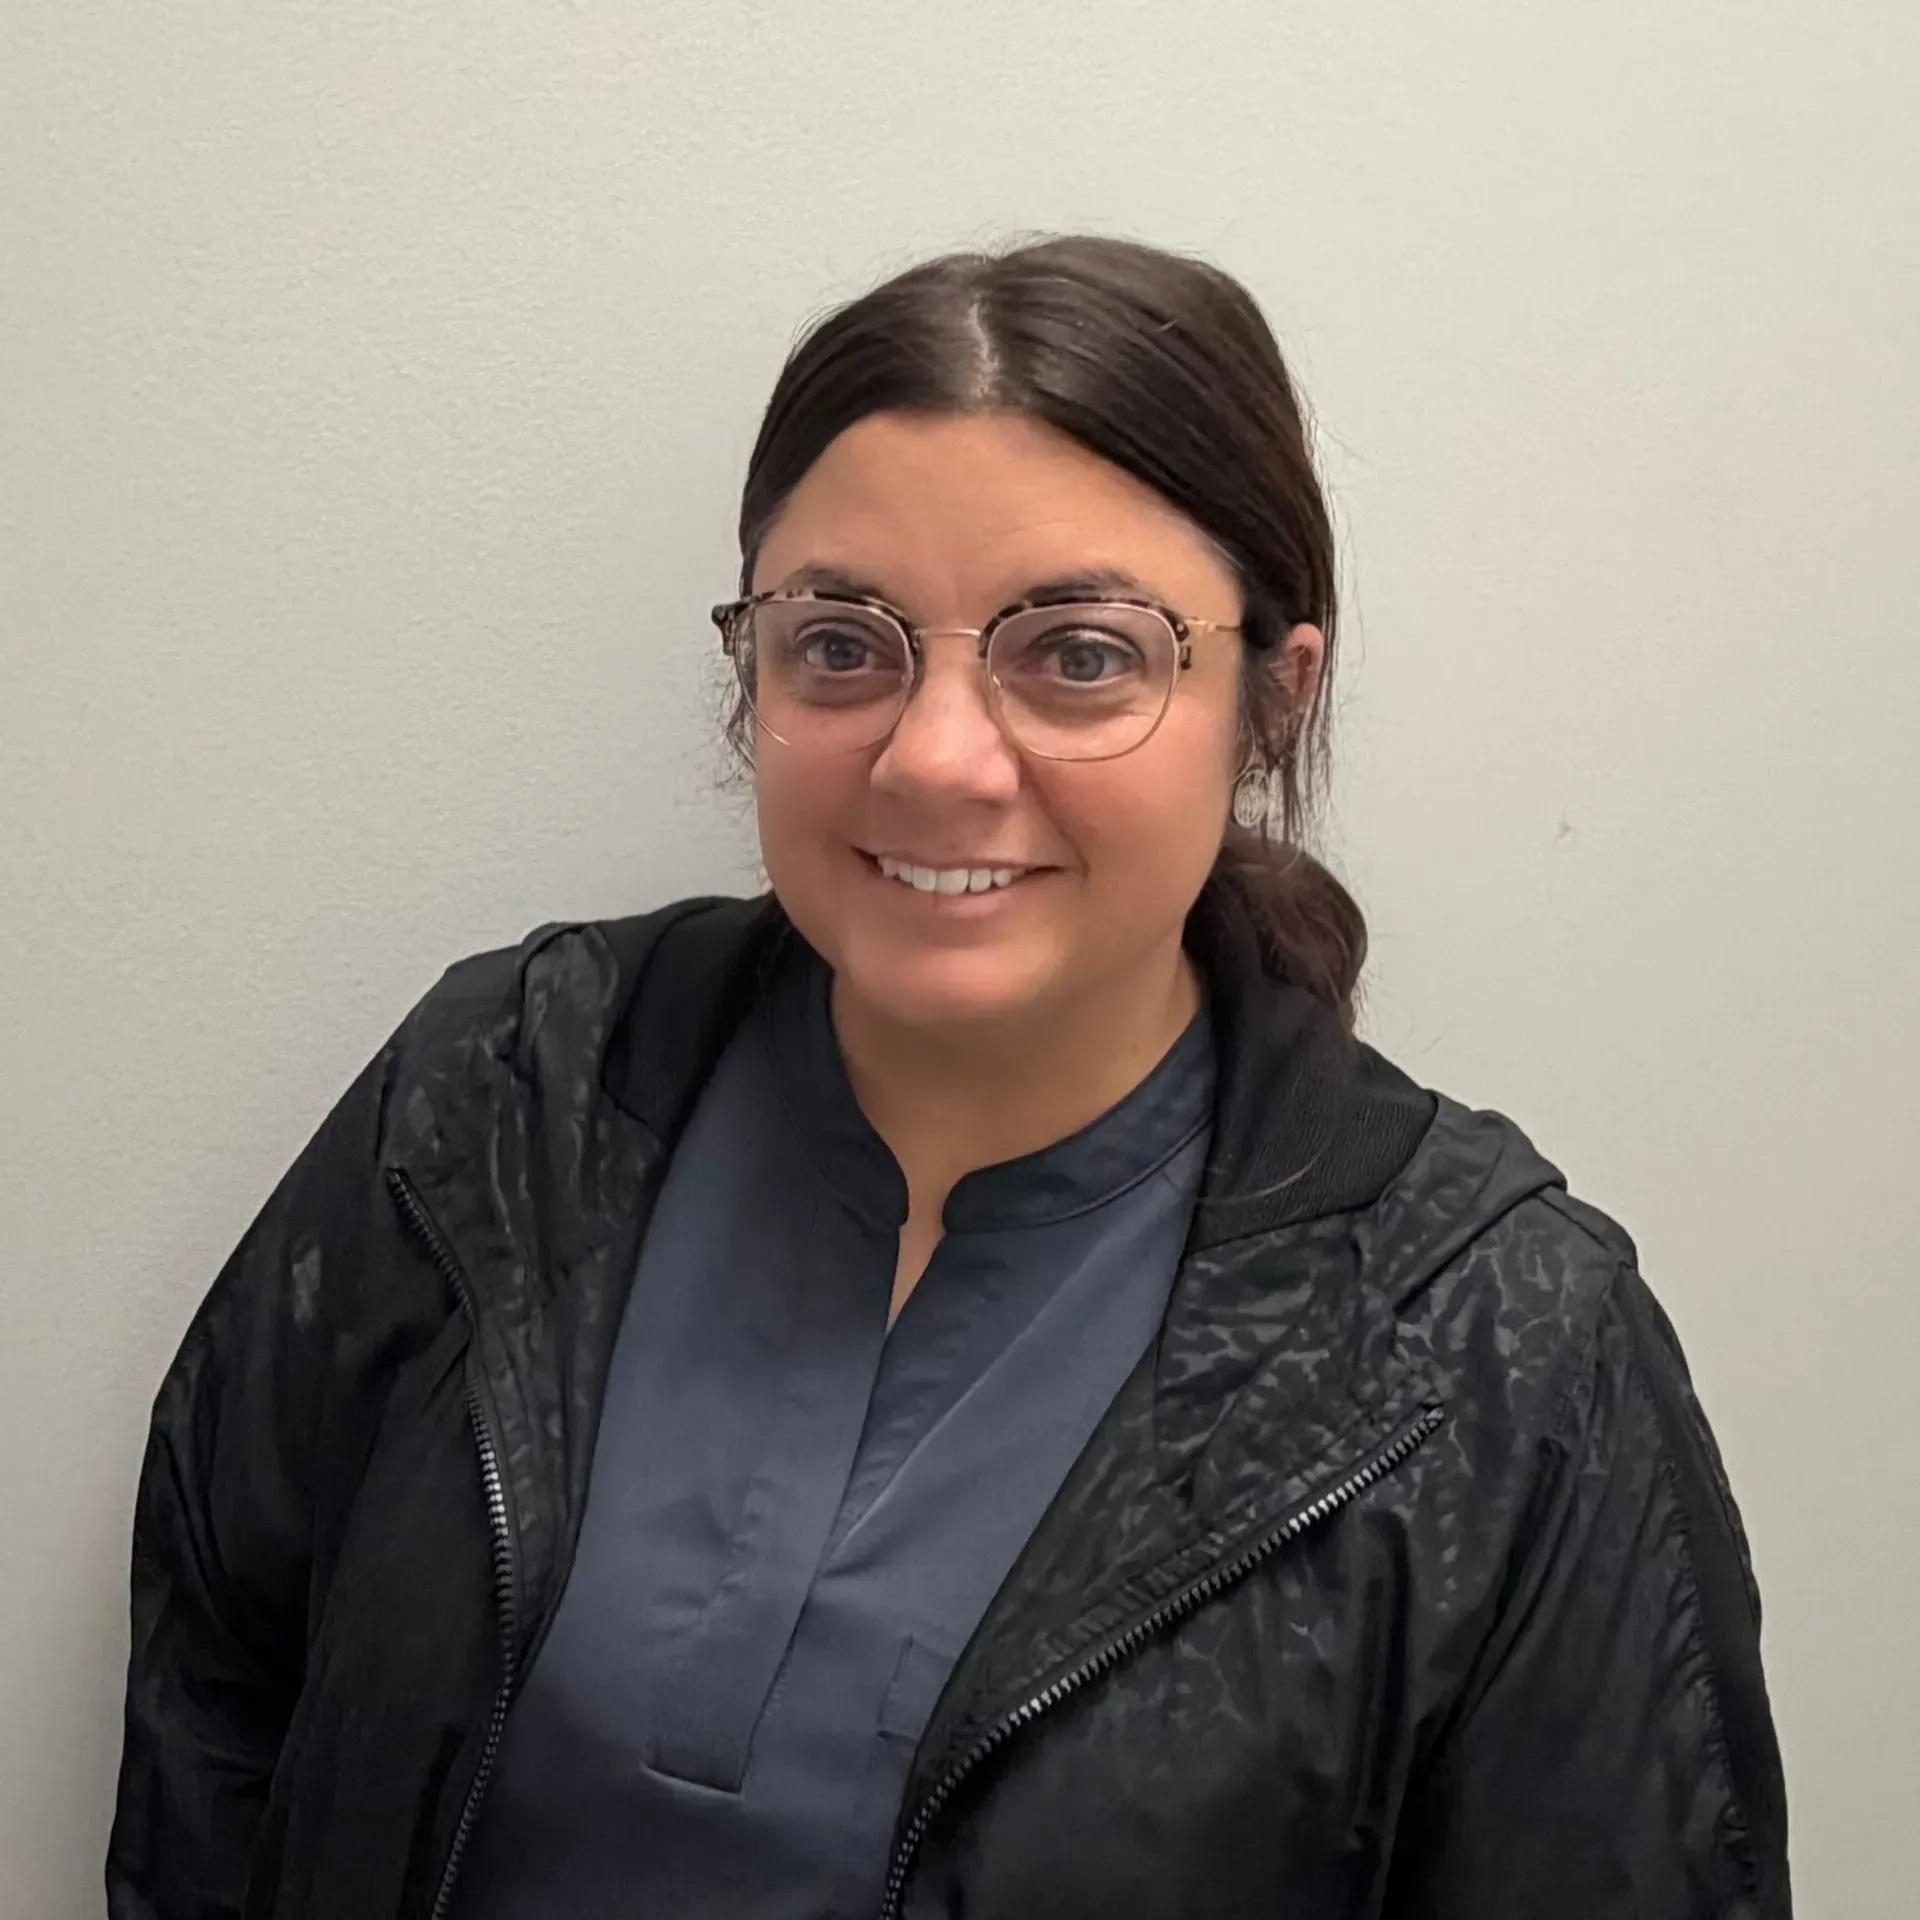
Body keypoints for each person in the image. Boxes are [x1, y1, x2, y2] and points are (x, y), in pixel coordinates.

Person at [107, 235, 1791, 1920]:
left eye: (1081, 654)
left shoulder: (1497, 1351)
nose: (935, 758)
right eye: (843, 642)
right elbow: (218, 1686)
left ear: (1272, 703)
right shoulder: (501, 1097)